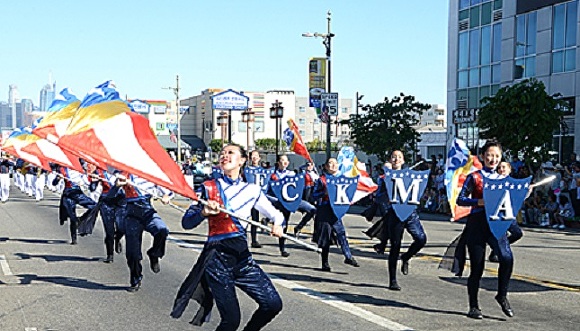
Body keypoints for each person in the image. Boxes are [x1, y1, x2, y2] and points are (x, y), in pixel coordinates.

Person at [172, 143, 284, 330]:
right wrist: (204, 213)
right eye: (222, 153)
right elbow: (187, 222)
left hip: (242, 259)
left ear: (242, 160)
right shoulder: (209, 188)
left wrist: (277, 225)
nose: (224, 155)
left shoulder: (252, 190)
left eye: (230, 153)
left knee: (272, 304)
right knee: (231, 320)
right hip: (216, 260)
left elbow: (276, 214)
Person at [457, 140, 515, 319]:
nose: (493, 159)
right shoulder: (474, 177)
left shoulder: (504, 179)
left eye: (497, 156)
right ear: (482, 156)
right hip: (477, 224)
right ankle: (473, 306)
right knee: (477, 268)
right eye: (490, 155)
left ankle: (502, 295)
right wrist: (478, 202)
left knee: (507, 258)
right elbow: (460, 199)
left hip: (496, 223)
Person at [111, 172, 172, 292]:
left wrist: (166, 196)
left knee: (162, 230)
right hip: (131, 214)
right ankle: (136, 278)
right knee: (132, 253)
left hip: (147, 211)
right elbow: (111, 195)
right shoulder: (123, 174)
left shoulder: (149, 173)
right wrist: (117, 185)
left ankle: (155, 253)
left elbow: (167, 190)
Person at [385, 150, 427, 291]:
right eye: (393, 157)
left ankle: (406, 256)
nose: (396, 159)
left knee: (421, 239)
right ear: (390, 160)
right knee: (395, 246)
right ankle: (393, 280)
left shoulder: (410, 174)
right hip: (394, 213)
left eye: (399, 157)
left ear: (403, 160)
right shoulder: (386, 175)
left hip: (410, 212)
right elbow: (379, 192)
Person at [311, 157, 360, 272]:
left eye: (335, 163)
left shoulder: (342, 179)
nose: (333, 166)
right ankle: (325, 262)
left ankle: (348, 256)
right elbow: (313, 196)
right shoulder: (322, 180)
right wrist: (324, 192)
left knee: (341, 233)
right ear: (326, 166)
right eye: (330, 163)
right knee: (325, 237)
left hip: (336, 210)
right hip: (324, 209)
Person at [53, 166, 97, 245]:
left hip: (78, 192)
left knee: (94, 206)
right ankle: (74, 238)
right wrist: (58, 178)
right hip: (68, 193)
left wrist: (92, 181)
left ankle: (81, 219)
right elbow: (54, 183)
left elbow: (88, 184)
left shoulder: (80, 169)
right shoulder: (63, 169)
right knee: (72, 216)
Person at [293, 161, 319, 236]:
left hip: (313, 195)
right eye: (308, 165)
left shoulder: (315, 174)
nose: (309, 166)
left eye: (311, 165)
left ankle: (299, 227)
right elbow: (299, 171)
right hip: (305, 194)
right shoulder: (303, 173)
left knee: (313, 213)